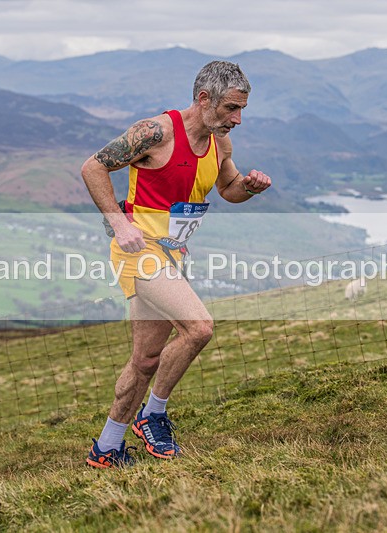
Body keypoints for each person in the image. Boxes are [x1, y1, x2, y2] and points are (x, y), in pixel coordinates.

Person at [80, 60, 272, 468]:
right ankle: (153, 416)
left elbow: (227, 189)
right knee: (199, 328)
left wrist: (249, 188)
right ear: (204, 99)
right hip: (139, 252)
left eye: (241, 110)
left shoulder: (220, 143)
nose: (236, 119)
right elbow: (93, 166)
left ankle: (107, 449)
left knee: (146, 360)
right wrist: (118, 222)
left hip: (173, 255)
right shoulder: (155, 132)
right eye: (230, 109)